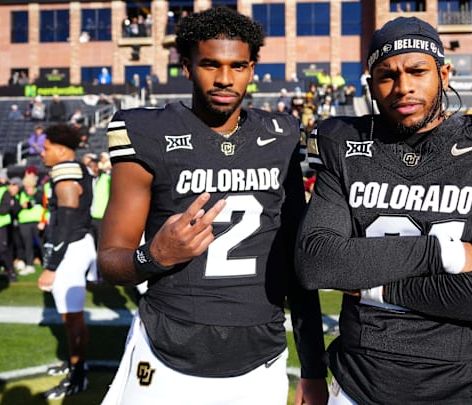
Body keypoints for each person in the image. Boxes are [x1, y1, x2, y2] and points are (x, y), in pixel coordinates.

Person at [296, 16, 472, 404]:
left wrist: (374, 286)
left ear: (444, 73)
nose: (404, 87)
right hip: (357, 382)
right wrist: (442, 252)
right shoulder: (342, 143)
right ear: (371, 84)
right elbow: (317, 262)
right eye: (387, 75)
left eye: (417, 70)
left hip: (456, 386)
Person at [97, 7, 327, 404]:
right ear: (186, 66)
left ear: (253, 68)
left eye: (238, 65)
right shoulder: (147, 131)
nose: (224, 78)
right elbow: (109, 261)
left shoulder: (282, 135)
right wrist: (154, 256)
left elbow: (295, 262)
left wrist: (313, 366)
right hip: (168, 343)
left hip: (260, 352)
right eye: (210, 64)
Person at [37, 124, 97, 399]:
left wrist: (51, 266)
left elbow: (68, 218)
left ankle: (78, 375)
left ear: (61, 149)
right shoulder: (73, 168)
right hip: (76, 243)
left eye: (46, 148)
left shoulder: (66, 170)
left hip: (71, 246)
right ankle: (76, 364)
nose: (42, 153)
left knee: (72, 317)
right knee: (70, 315)